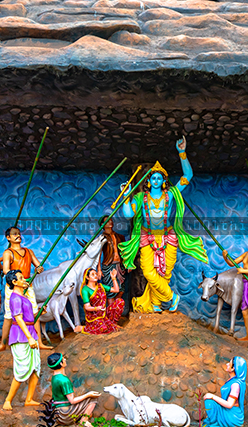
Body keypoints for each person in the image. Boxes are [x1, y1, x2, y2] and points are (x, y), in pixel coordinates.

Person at [119, 136, 208, 313]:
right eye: (154, 178)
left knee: (164, 274)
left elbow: (188, 176)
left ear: (164, 180)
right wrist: (125, 197)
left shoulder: (171, 194)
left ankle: (156, 305)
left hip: (168, 237)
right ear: (149, 181)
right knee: (148, 272)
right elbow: (128, 213)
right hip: (146, 236)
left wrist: (182, 152)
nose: (157, 180)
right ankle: (172, 297)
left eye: (160, 177)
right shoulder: (140, 198)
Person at [0, 226, 48, 351]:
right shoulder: (8, 253)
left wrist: (39, 269)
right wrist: (17, 281)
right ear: (8, 238)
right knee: (9, 315)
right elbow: (6, 270)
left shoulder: (29, 251)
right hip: (14, 286)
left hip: (28, 284)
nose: (18, 235)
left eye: (19, 233)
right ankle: (2, 344)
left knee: (34, 312)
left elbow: (39, 266)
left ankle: (39, 342)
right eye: (14, 234)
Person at [2, 269, 42, 410]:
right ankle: (8, 400)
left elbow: (27, 316)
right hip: (21, 336)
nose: (24, 279)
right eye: (20, 278)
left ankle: (29, 399)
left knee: (36, 367)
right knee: (22, 368)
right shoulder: (15, 298)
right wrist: (29, 337)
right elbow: (18, 318)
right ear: (14, 282)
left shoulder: (23, 297)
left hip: (31, 333)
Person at [47, 352, 101, 426]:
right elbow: (72, 401)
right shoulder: (64, 380)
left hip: (57, 413)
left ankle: (80, 417)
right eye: (63, 359)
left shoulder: (54, 377)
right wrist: (88, 394)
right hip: (64, 414)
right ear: (61, 364)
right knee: (92, 398)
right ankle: (84, 420)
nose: (65, 359)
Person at [202, 356, 247, 427]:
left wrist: (212, 396)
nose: (227, 364)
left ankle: (215, 426)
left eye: (229, 364)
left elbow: (229, 405)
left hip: (233, 416)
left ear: (233, 368)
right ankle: (215, 423)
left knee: (209, 402)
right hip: (227, 411)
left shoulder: (235, 385)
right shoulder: (232, 381)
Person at [78, 267, 124, 334]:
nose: (95, 276)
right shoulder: (85, 290)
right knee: (103, 328)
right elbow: (87, 307)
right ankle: (84, 328)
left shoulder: (100, 286)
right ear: (87, 277)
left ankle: (112, 323)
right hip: (94, 317)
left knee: (120, 302)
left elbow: (116, 290)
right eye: (93, 274)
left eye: (96, 274)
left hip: (104, 314)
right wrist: (97, 308)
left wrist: (113, 278)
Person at [100, 217, 126, 301]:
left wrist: (127, 264)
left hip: (119, 265)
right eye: (107, 221)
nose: (110, 222)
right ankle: (111, 312)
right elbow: (99, 255)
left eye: (111, 220)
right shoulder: (102, 238)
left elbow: (124, 252)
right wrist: (99, 269)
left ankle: (114, 309)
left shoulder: (119, 237)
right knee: (110, 292)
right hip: (108, 266)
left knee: (121, 290)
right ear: (102, 224)